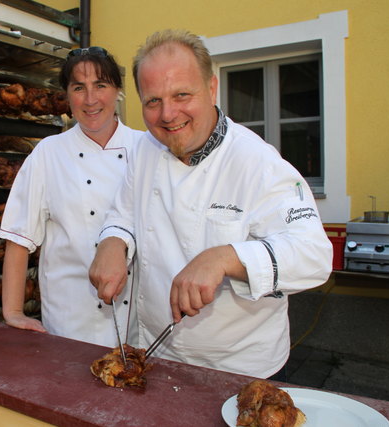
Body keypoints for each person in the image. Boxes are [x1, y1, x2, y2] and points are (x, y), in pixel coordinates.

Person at [89, 29, 333, 379]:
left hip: (240, 368)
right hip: (158, 354)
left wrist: (225, 258)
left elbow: (314, 256)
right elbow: (124, 212)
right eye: (153, 101)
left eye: (182, 95)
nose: (168, 114)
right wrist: (113, 241)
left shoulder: (259, 163)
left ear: (212, 88)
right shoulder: (145, 149)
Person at [0, 46, 143, 347]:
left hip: (140, 320)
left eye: (100, 85)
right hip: (71, 320)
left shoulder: (147, 148)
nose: (90, 100)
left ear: (117, 90)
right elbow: (19, 236)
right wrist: (12, 312)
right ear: (67, 95)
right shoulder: (48, 153)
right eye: (79, 88)